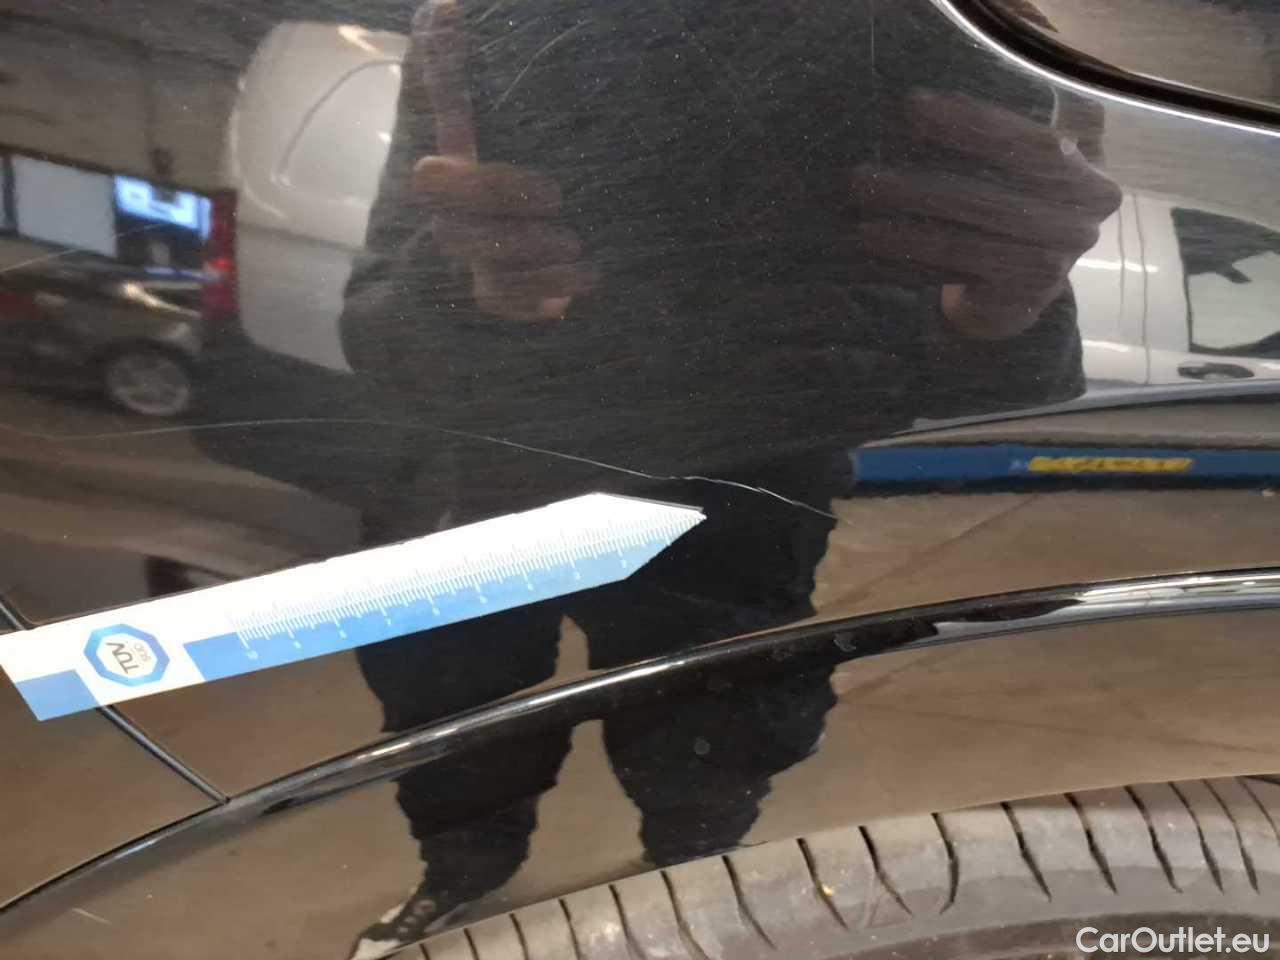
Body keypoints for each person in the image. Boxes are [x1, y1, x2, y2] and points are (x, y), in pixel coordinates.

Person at [311, 0, 1121, 954]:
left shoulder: (886, 32)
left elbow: (1005, 382)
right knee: (460, 710)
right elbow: (373, 330)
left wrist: (1003, 309)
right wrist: (469, 291)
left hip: (737, 485)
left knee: (711, 735)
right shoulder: (509, 32)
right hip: (494, 477)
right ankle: (463, 873)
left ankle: (692, 877)